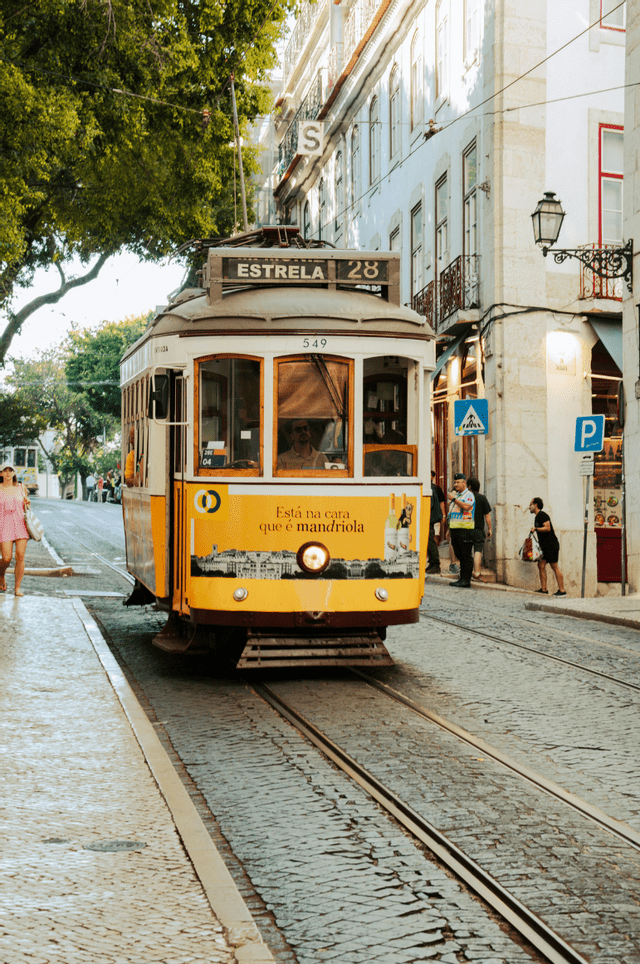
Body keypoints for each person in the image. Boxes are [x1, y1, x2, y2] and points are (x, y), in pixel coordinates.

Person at [0, 463, 30, 597]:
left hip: (20, 524)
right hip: (4, 526)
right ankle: (1, 574)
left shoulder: (20, 487)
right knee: (6, 558)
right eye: (4, 471)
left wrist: (28, 502)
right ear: (0, 474)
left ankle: (17, 588)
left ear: (13, 473)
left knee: (20, 556)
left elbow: (26, 502)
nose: (7, 473)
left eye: (10, 470)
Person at [529, 497, 566, 596]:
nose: (529, 507)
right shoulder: (537, 517)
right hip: (545, 546)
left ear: (535, 505)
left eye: (530, 504)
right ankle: (544, 589)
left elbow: (548, 528)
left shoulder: (542, 515)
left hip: (551, 545)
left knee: (554, 566)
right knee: (540, 565)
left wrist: (536, 529)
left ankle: (562, 590)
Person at [447, 473, 475, 588]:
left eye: (458, 482)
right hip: (455, 529)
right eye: (455, 482)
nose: (456, 484)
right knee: (459, 555)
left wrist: (453, 498)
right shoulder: (457, 496)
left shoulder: (468, 495)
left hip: (465, 529)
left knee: (465, 556)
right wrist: (449, 529)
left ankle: (465, 580)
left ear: (464, 483)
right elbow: (452, 513)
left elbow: (466, 506)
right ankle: (462, 578)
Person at [467, 477, 492, 580]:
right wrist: (489, 528)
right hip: (478, 529)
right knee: (478, 550)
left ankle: (466, 572)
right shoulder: (482, 498)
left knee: (467, 551)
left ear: (469, 486)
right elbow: (487, 515)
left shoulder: (466, 498)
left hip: (466, 528)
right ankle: (477, 572)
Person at [426, 470, 446, 574]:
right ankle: (432, 562)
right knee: (428, 540)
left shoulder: (435, 488)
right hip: (430, 517)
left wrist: (443, 515)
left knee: (430, 540)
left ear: (433, 477)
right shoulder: (430, 487)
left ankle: (436, 564)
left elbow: (442, 502)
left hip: (430, 517)